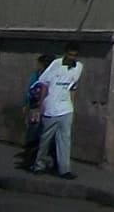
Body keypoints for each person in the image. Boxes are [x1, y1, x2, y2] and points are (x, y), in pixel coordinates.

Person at [29, 43, 82, 179]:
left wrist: (72, 105)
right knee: (45, 139)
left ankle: (64, 169)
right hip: (51, 108)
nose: (72, 58)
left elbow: (73, 87)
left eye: (75, 55)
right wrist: (41, 105)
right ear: (65, 53)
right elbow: (44, 84)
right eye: (70, 55)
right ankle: (39, 165)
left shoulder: (78, 67)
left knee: (65, 140)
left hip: (66, 109)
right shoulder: (56, 64)